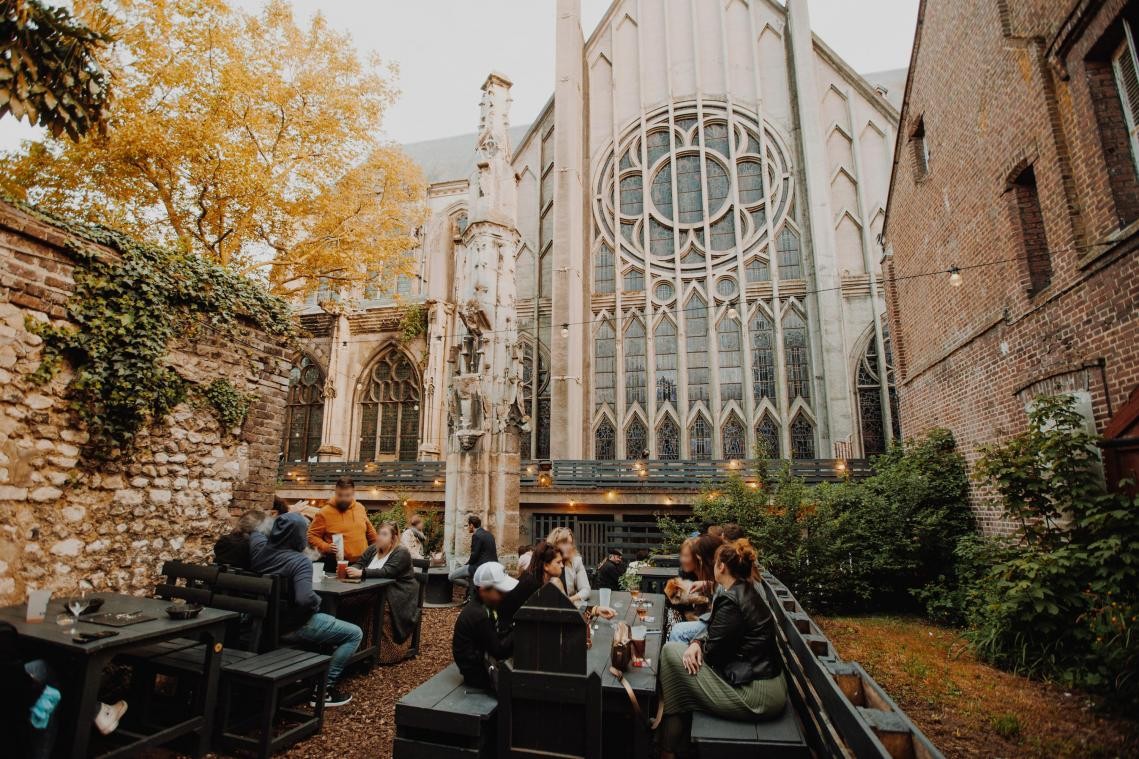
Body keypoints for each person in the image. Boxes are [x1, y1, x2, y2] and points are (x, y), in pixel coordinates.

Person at [656, 539, 787, 759]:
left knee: (671, 653)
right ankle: (673, 741)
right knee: (682, 656)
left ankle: (668, 746)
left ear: (721, 567)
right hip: (763, 677)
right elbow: (724, 633)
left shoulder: (731, 599)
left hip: (758, 695)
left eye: (714, 563)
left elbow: (715, 655)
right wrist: (697, 643)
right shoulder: (743, 590)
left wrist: (697, 646)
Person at [250, 512, 362, 707]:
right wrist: (317, 600)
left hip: (263, 622)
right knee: (354, 634)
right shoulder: (299, 562)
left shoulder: (260, 551)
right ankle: (324, 690)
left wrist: (277, 521)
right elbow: (304, 599)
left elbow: (255, 533)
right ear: (298, 535)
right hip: (293, 626)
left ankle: (308, 674)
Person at [498, 541, 616, 632]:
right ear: (546, 566)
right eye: (558, 562)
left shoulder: (543, 580)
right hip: (512, 638)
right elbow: (561, 614)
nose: (562, 566)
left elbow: (564, 607)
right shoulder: (532, 584)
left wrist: (596, 610)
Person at [349, 521, 420, 656]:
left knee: (370, 605)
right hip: (373, 590)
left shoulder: (401, 552)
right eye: (379, 533)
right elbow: (360, 563)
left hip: (398, 594)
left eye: (384, 534)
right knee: (348, 602)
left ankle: (377, 653)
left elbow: (388, 572)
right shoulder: (372, 549)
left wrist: (363, 573)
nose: (379, 537)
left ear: (393, 538)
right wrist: (352, 569)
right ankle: (352, 646)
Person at [452, 561, 517, 688]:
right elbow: (499, 651)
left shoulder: (485, 606)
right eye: (500, 591)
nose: (504, 595)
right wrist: (518, 630)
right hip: (476, 673)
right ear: (483, 590)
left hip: (479, 663)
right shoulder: (478, 615)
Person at [668, 534, 723, 643]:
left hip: (708, 622)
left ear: (697, 558)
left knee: (677, 630)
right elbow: (670, 594)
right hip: (693, 618)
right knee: (671, 616)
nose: (682, 560)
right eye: (681, 555)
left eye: (686, 556)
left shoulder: (712, 574)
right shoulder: (685, 573)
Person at [307, 478, 377, 564]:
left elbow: (370, 532)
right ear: (335, 492)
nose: (343, 499)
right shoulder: (324, 513)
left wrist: (379, 550)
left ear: (353, 493)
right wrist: (326, 547)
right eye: (340, 495)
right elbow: (311, 536)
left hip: (362, 562)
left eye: (347, 495)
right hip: (336, 563)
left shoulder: (360, 508)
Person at [449, 515, 497, 599]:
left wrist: (467, 564)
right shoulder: (489, 534)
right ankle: (472, 588)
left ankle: (471, 586)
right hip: (491, 566)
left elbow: (474, 555)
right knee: (465, 570)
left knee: (451, 577)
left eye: (468, 525)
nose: (468, 528)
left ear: (471, 525)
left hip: (479, 567)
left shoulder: (476, 535)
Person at [546, 526, 591, 603]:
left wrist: (569, 600)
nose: (569, 547)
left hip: (569, 608)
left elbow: (586, 590)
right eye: (564, 543)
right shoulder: (545, 562)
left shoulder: (576, 561)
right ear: (554, 544)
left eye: (570, 543)